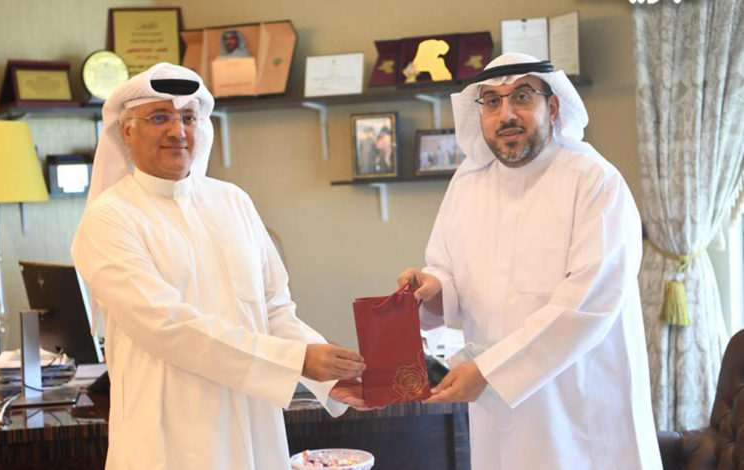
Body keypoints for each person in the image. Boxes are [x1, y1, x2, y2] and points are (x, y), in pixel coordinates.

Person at [71, 63, 366, 470]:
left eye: (188, 117)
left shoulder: (233, 201)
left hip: (254, 421)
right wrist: (295, 360)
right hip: (169, 432)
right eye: (159, 117)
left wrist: (330, 375)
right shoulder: (109, 218)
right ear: (127, 132)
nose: (177, 131)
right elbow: (166, 325)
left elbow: (274, 310)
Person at [397, 52, 661, 469]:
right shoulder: (467, 184)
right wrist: (432, 289)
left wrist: (491, 371)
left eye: (522, 97)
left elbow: (586, 305)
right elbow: (447, 270)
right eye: (492, 101)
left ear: (552, 107)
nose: (506, 114)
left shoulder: (595, 182)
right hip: (496, 409)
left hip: (578, 406)